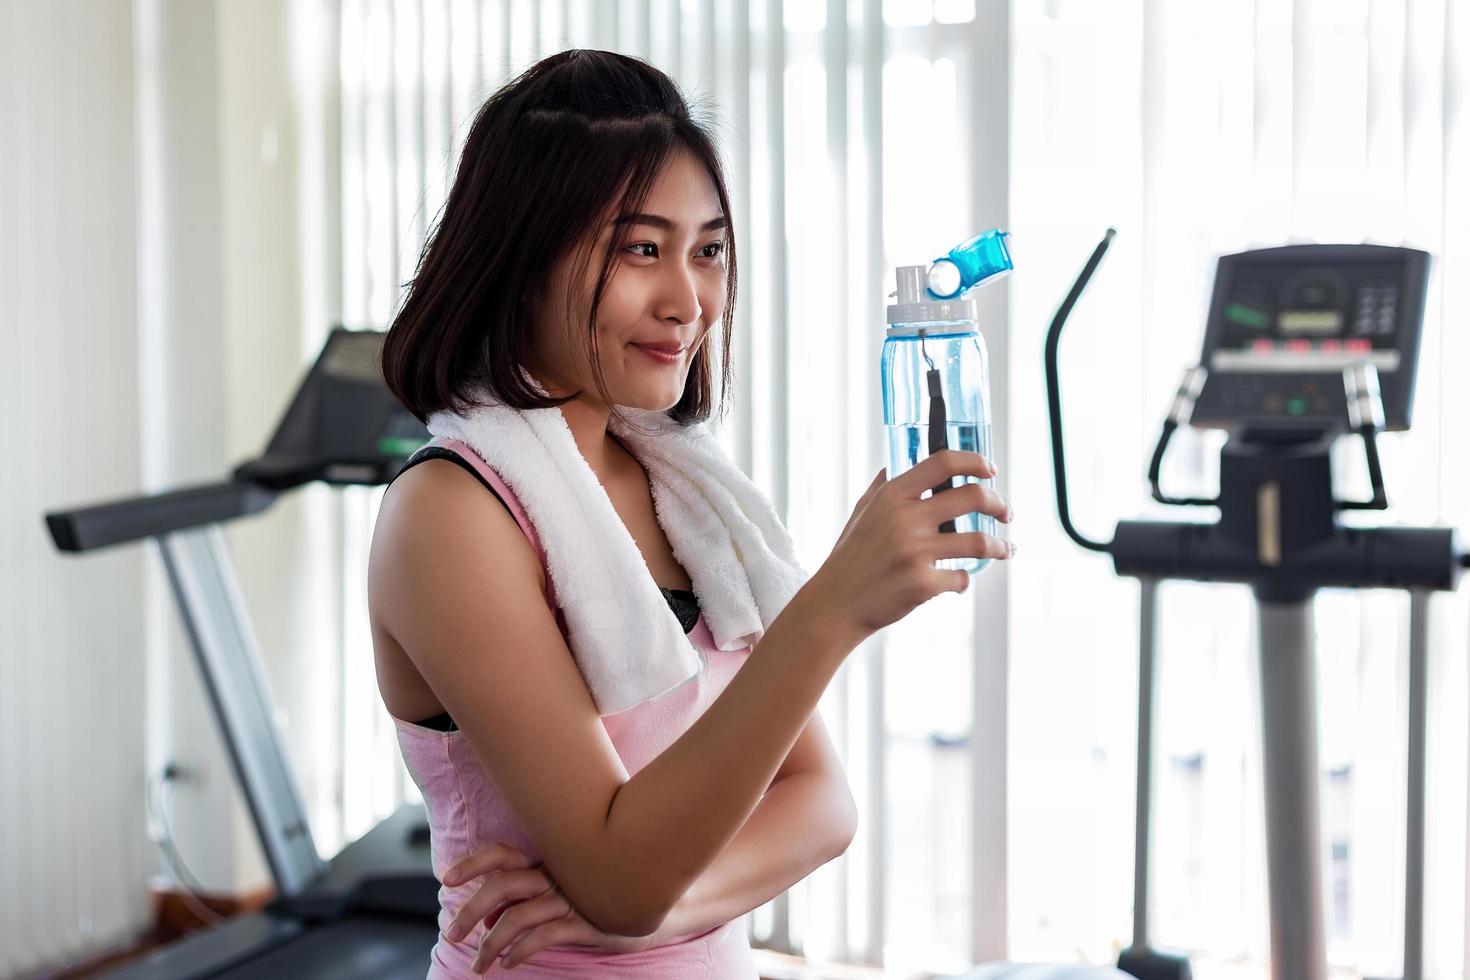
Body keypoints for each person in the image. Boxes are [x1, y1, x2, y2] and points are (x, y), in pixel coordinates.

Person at [368, 48, 1013, 978]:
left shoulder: (679, 483)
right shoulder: (452, 513)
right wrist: (832, 607)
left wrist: (625, 918)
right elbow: (619, 868)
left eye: (707, 250)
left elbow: (822, 805)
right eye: (641, 249)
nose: (688, 301)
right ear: (522, 255)